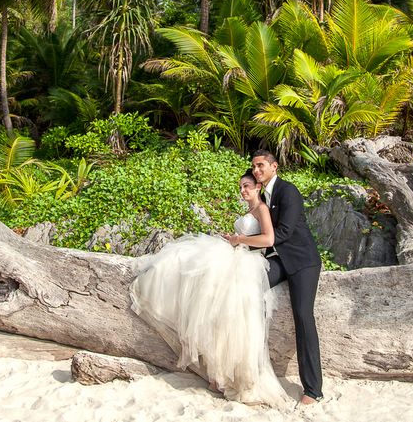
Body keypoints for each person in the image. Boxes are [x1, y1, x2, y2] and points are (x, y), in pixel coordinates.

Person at [129, 170, 287, 406]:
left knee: (234, 316)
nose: (243, 191)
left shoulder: (262, 209)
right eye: (240, 187)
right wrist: (233, 239)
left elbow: (267, 239)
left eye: (246, 186)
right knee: (204, 296)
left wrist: (239, 240)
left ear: (257, 188)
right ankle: (219, 375)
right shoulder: (250, 211)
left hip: (249, 262)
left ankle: (237, 377)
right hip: (237, 253)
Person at [249, 149, 323, 405]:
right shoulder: (261, 197)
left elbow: (285, 231)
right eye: (254, 167)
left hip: (303, 262)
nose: (257, 170)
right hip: (279, 260)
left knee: (303, 317)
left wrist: (247, 244)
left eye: (261, 166)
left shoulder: (287, 191)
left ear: (274, 166)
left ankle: (313, 389)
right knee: (247, 286)